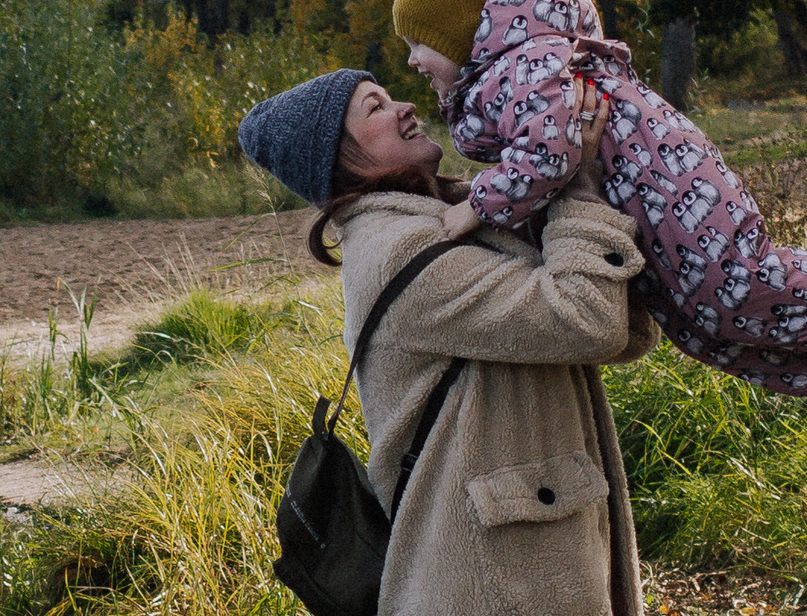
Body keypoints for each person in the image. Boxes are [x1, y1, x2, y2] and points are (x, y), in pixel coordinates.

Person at [392, 0, 807, 454]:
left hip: (670, 183)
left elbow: (547, 154)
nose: (411, 61)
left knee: (733, 284)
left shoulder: (526, 65)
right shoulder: (506, 74)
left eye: (417, 43)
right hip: (641, 209)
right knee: (690, 323)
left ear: (459, 30)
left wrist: (476, 206)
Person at [241, 67, 656, 616]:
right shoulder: (401, 251)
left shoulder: (451, 220)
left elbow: (621, 331)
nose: (405, 107)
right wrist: (577, 182)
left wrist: (539, 180)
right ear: (340, 160)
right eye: (375, 108)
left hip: (519, 575)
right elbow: (587, 319)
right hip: (493, 589)